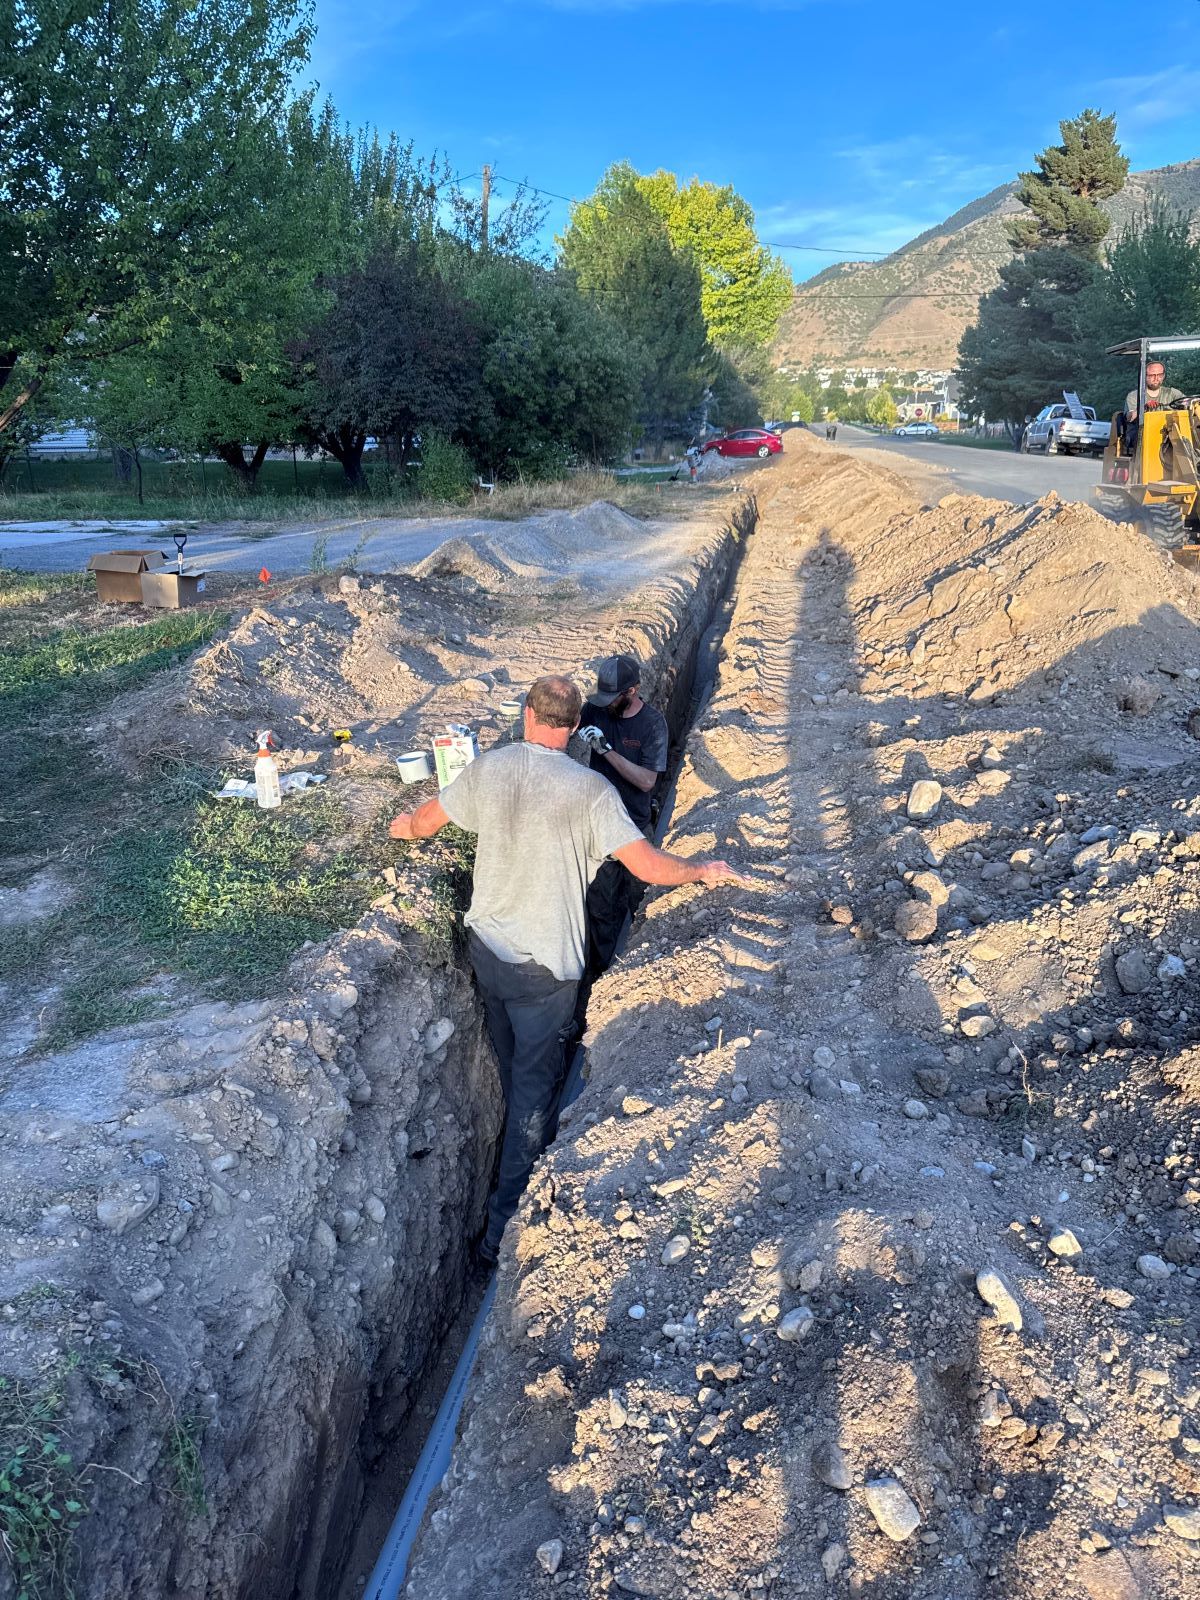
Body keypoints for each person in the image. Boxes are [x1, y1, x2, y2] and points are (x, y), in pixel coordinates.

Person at [388, 674, 741, 1266]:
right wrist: (701, 869)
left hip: (487, 955)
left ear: (527, 714)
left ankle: (512, 1167)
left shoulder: (489, 768)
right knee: (531, 1097)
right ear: (575, 726)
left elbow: (423, 822)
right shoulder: (590, 792)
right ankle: (502, 1232)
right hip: (546, 971)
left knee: (512, 1068)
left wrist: (401, 828)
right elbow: (649, 866)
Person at [576, 654, 669, 978]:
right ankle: (601, 979)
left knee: (642, 905)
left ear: (633, 691)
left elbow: (647, 781)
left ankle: (639, 973)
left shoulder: (652, 725)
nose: (605, 705)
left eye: (612, 697)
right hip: (597, 830)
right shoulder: (595, 710)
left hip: (633, 827)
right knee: (601, 910)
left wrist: (607, 752)